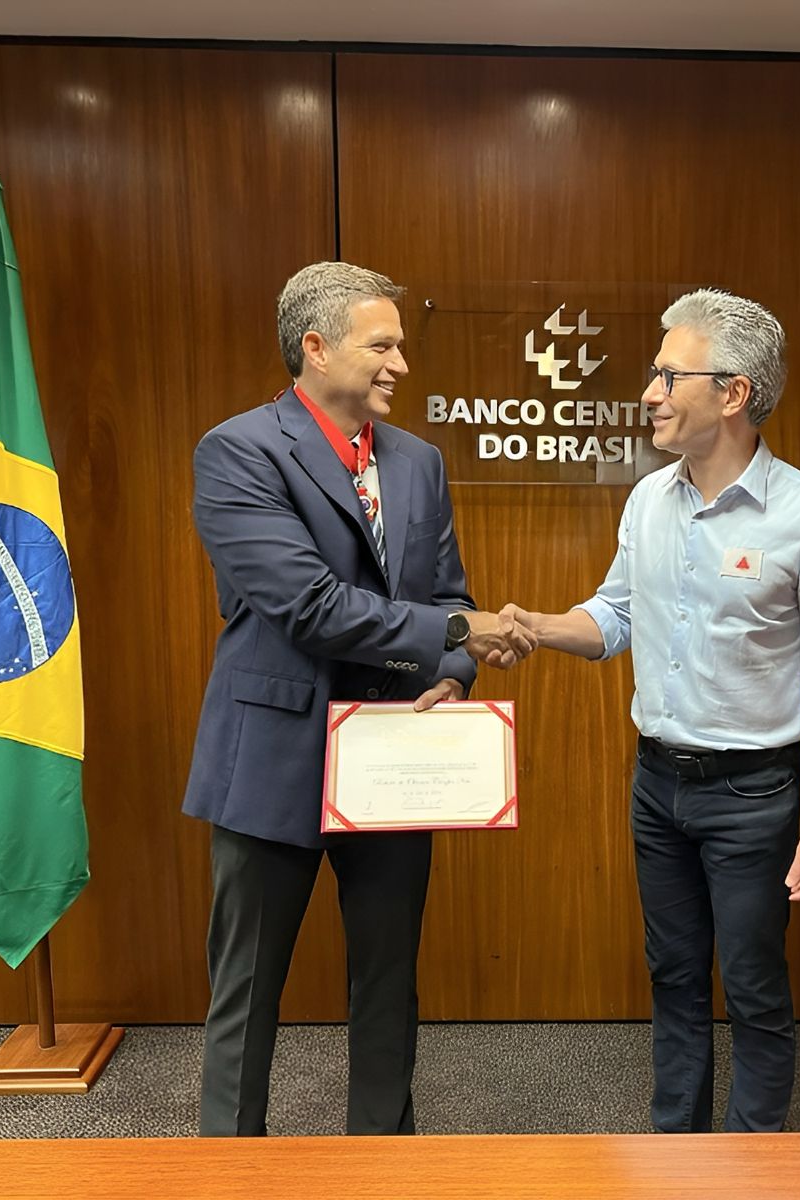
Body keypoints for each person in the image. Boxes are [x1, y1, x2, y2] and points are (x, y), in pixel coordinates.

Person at [499, 288, 800, 1133]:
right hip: (656, 787)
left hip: (752, 797)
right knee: (670, 975)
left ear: (733, 393)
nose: (649, 393)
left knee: (752, 987)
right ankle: (677, 1156)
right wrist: (532, 627)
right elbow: (617, 614)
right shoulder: (647, 501)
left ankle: (752, 1170)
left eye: (670, 374)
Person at [184, 260, 534, 1136]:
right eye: (382, 345)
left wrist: (458, 670)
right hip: (274, 757)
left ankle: (384, 1163)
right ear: (315, 346)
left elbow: (449, 591)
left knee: (387, 982)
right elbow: (307, 605)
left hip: (395, 754)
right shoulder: (238, 451)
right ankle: (227, 1171)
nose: (400, 366)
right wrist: (458, 635)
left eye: (400, 347)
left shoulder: (417, 460)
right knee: (248, 987)